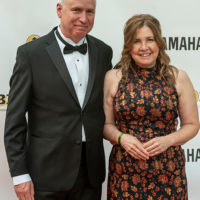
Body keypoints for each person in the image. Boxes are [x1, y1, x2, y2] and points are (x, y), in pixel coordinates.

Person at [4, 0, 112, 199]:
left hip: (91, 174)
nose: (84, 18)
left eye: (90, 11)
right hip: (46, 174)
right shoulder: (30, 54)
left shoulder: (103, 52)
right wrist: (19, 174)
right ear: (59, 10)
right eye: (77, 10)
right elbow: (14, 121)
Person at [103, 14, 199, 199]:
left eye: (150, 40)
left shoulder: (178, 77)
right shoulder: (114, 77)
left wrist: (168, 140)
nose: (144, 47)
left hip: (169, 172)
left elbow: (192, 125)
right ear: (128, 45)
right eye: (137, 41)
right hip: (125, 173)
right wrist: (122, 138)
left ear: (159, 43)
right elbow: (106, 125)